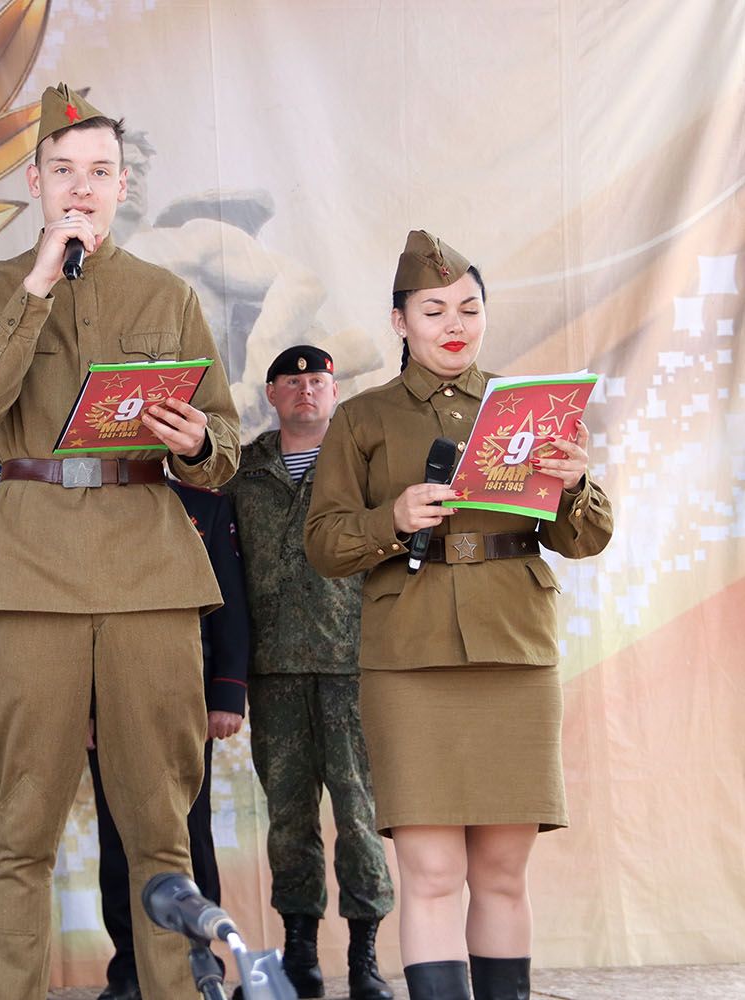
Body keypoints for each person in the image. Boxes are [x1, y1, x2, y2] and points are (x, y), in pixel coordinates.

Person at [0, 83, 240, 1000]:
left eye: (100, 172)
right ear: (34, 182)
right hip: (29, 570)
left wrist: (197, 441)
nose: (81, 188)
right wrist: (34, 288)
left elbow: (224, 447)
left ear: (122, 185)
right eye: (63, 170)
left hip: (150, 570)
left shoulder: (167, 294)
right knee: (21, 829)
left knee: (161, 828)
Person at [303, 231, 614, 1000]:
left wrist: (575, 483)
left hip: (515, 652)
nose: (455, 324)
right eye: (434, 309)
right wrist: (392, 518)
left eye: (470, 309)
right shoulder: (362, 418)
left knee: (503, 872)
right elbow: (324, 544)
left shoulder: (531, 409)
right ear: (399, 321)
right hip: (410, 660)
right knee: (433, 872)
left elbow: (587, 538)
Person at [222, 345, 394, 1000]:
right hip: (275, 671)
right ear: (271, 394)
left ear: (335, 391)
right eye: (291, 382)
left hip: (353, 665)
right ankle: (300, 953)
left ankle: (364, 956)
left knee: (359, 814)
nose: (305, 390)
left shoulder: (362, 467)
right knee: (289, 819)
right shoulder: (245, 471)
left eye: (318, 380)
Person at [87, 480, 248, 1000]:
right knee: (117, 838)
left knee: (188, 835)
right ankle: (129, 967)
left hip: (184, 698)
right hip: (109, 696)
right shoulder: (88, 504)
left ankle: (198, 963)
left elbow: (228, 603)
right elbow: (79, 621)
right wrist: (85, 709)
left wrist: (226, 693)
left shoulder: (203, 506)